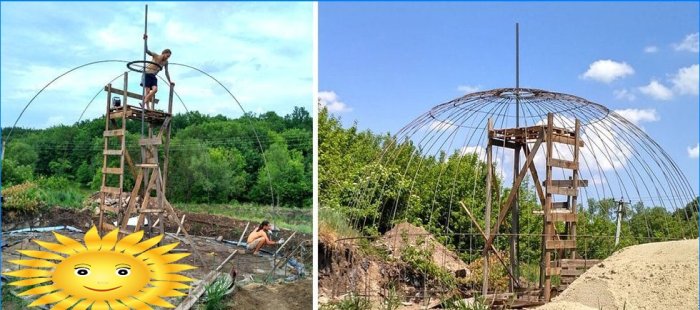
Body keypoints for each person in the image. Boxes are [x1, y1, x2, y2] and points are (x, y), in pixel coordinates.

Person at [141, 34, 174, 110]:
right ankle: (148, 107)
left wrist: (170, 81)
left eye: (169, 57)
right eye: (167, 56)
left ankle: (144, 101)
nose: (167, 58)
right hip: (147, 74)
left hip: (153, 76)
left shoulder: (165, 62)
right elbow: (146, 51)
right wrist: (145, 40)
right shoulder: (156, 56)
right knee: (148, 91)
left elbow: (166, 72)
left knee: (155, 90)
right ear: (164, 53)